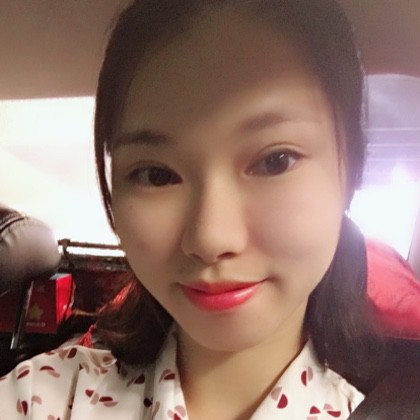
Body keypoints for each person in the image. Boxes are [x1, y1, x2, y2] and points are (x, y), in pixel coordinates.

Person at [0, 0, 419, 418]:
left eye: (275, 161)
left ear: (352, 170)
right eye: (156, 175)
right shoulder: (40, 399)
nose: (210, 238)